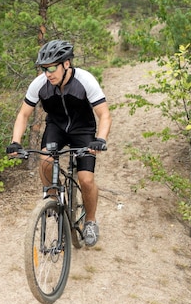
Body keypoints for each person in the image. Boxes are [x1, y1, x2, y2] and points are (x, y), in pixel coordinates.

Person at [6, 39, 112, 246]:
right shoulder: (39, 84)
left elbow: (104, 115)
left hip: (83, 130)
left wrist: (100, 139)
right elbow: (23, 115)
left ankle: (90, 221)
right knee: (45, 159)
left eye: (52, 68)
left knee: (86, 179)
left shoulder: (85, 80)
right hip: (56, 128)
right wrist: (15, 142)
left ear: (66, 64)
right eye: (44, 69)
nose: (48, 73)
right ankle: (52, 199)